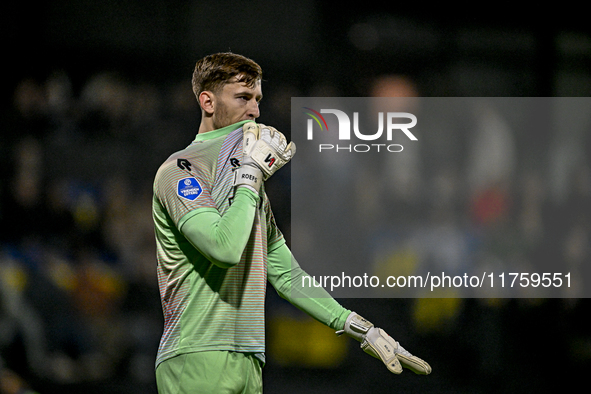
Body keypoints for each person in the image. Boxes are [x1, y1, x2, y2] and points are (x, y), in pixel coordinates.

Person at [152, 52, 431, 393]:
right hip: (197, 355)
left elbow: (286, 273)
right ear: (207, 102)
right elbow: (223, 248)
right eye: (242, 98)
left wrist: (357, 326)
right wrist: (251, 176)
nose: (254, 111)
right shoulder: (182, 170)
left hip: (249, 359)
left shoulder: (248, 185)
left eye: (257, 100)